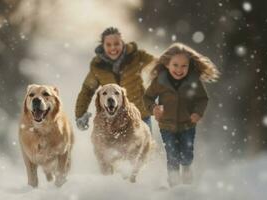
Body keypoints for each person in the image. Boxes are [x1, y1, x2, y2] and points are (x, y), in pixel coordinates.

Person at [143, 42, 220, 186]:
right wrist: (154, 108)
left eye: (184, 66)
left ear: (189, 66)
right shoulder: (160, 81)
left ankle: (187, 169)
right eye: (175, 65)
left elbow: (202, 99)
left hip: (187, 125)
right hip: (167, 125)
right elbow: (147, 97)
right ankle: (174, 183)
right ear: (167, 64)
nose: (179, 69)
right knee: (172, 156)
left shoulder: (194, 81)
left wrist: (197, 113)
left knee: (186, 155)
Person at [75, 27, 155, 131]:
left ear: (122, 43)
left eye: (116, 44)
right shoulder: (98, 66)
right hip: (113, 120)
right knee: (118, 148)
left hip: (140, 115)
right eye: (108, 45)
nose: (113, 48)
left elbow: (160, 64)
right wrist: (80, 116)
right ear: (103, 46)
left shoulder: (136, 56)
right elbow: (87, 91)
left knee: (145, 146)